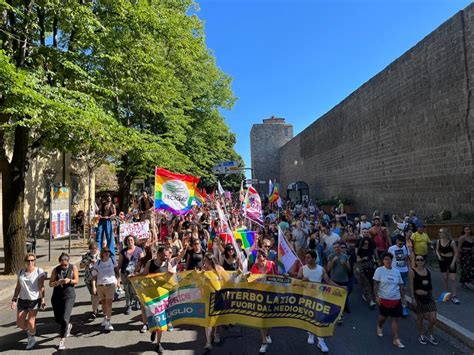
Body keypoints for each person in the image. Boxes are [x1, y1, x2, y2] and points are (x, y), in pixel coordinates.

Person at [297, 250, 337, 353]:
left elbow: (328, 281)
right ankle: (310, 332)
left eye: (308, 257)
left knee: (320, 318)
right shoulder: (302, 269)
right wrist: (302, 280)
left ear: (314, 259)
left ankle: (321, 340)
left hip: (318, 297)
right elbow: (296, 282)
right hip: (306, 297)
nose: (306, 259)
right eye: (305, 257)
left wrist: (339, 287)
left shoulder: (321, 269)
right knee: (309, 316)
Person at [11, 253, 46, 350]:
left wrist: (43, 299)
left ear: (34, 261)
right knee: (20, 323)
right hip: (22, 300)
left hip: (34, 300)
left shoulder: (39, 271)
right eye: (28, 260)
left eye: (32, 260)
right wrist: (14, 299)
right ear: (25, 262)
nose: (30, 262)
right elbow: (18, 287)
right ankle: (30, 332)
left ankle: (31, 337)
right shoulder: (21, 272)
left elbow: (41, 287)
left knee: (31, 322)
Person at [373, 252, 405, 349]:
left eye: (390, 259)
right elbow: (375, 285)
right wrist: (377, 297)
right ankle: (379, 326)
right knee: (383, 317)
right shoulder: (379, 270)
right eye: (386, 259)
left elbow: (401, 285)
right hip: (384, 298)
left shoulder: (396, 271)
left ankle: (396, 339)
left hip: (396, 298)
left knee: (395, 319)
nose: (388, 261)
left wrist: (403, 299)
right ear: (383, 261)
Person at [49, 252, 79, 350]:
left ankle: (62, 340)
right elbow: (50, 283)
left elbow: (76, 280)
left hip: (69, 296)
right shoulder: (56, 270)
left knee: (65, 318)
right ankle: (68, 326)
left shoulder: (73, 267)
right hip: (57, 296)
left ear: (68, 262)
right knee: (58, 319)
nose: (63, 266)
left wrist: (69, 280)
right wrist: (57, 282)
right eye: (62, 264)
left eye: (65, 264)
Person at [250, 248, 277, 354]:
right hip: (260, 295)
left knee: (269, 317)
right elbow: (250, 279)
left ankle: (267, 334)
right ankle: (264, 342)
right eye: (257, 256)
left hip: (271, 294)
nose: (258, 258)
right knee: (262, 318)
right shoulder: (254, 266)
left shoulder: (272, 264)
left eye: (260, 256)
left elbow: (276, 277)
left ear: (264, 256)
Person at [409, 255, 438, 345]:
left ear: (424, 261)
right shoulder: (412, 272)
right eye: (417, 260)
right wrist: (413, 298)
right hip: (418, 298)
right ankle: (421, 335)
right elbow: (411, 286)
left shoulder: (428, 271)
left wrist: (432, 296)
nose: (419, 261)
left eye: (421, 260)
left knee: (433, 319)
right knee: (420, 318)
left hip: (428, 297)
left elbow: (430, 284)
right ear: (415, 261)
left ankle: (429, 334)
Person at [202, 252, 227, 351]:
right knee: (207, 320)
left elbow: (227, 279)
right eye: (204, 261)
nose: (204, 263)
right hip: (206, 297)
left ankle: (216, 334)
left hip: (218, 296)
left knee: (216, 319)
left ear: (210, 261)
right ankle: (208, 342)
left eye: (206, 261)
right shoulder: (203, 271)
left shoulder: (219, 269)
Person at [92, 247, 119, 331]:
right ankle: (105, 317)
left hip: (110, 284)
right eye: (105, 252)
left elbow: (117, 272)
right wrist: (94, 286)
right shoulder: (98, 263)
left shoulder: (112, 260)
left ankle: (109, 321)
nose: (107, 253)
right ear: (102, 253)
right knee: (103, 303)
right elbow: (93, 275)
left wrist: (118, 282)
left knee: (109, 303)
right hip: (100, 285)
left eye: (108, 251)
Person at [117, 236, 144, 314]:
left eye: (131, 240)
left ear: (134, 241)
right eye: (128, 240)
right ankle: (128, 306)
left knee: (135, 289)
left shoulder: (139, 250)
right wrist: (116, 274)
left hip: (135, 274)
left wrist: (141, 271)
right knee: (127, 290)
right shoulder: (123, 251)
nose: (130, 241)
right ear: (126, 242)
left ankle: (137, 301)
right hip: (125, 274)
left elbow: (142, 261)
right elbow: (120, 263)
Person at [388, 235, 411, 316]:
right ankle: (394, 306)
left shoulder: (405, 247)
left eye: (402, 244)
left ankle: (404, 307)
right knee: (395, 290)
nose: (401, 246)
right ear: (397, 241)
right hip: (395, 272)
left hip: (404, 271)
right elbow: (389, 260)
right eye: (400, 244)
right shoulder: (391, 248)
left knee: (402, 291)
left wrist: (409, 268)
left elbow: (407, 258)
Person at [435, 228, 459, 304]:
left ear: (445, 233)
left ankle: (454, 296)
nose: (439, 233)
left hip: (451, 260)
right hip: (442, 260)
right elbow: (437, 250)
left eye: (441, 232)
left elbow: (456, 253)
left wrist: (453, 263)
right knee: (445, 278)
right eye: (439, 232)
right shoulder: (438, 241)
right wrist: (439, 256)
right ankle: (446, 295)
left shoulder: (452, 242)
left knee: (453, 278)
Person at [327, 242, 351, 317]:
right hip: (334, 279)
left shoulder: (345, 256)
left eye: (338, 247)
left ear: (340, 248)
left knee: (345, 295)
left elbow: (349, 270)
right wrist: (332, 262)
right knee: (335, 295)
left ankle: (345, 307)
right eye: (335, 247)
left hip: (344, 279)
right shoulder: (331, 256)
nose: (336, 249)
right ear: (333, 249)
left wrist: (345, 264)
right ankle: (336, 309)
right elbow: (328, 269)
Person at [80, 241, 101, 319]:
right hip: (88, 277)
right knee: (93, 294)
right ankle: (95, 309)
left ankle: (95, 310)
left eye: (94, 249)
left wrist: (97, 263)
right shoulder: (86, 256)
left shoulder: (100, 255)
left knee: (96, 294)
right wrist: (87, 263)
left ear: (97, 249)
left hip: (98, 277)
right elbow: (81, 266)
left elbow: (104, 265)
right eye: (91, 249)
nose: (93, 251)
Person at [356, 236, 377, 308]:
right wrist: (363, 258)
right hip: (364, 268)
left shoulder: (371, 249)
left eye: (367, 243)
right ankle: (370, 300)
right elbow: (358, 260)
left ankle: (369, 296)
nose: (366, 245)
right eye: (365, 243)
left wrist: (375, 263)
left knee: (372, 283)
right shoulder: (360, 250)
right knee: (366, 283)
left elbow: (374, 258)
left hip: (371, 267)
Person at [96, 194, 117, 260]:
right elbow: (98, 211)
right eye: (108, 197)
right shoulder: (102, 204)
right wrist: (99, 215)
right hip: (102, 220)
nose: (109, 198)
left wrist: (110, 216)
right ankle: (98, 251)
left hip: (108, 220)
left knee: (109, 236)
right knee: (99, 235)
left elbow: (114, 213)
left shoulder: (112, 205)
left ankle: (111, 253)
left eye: (110, 197)